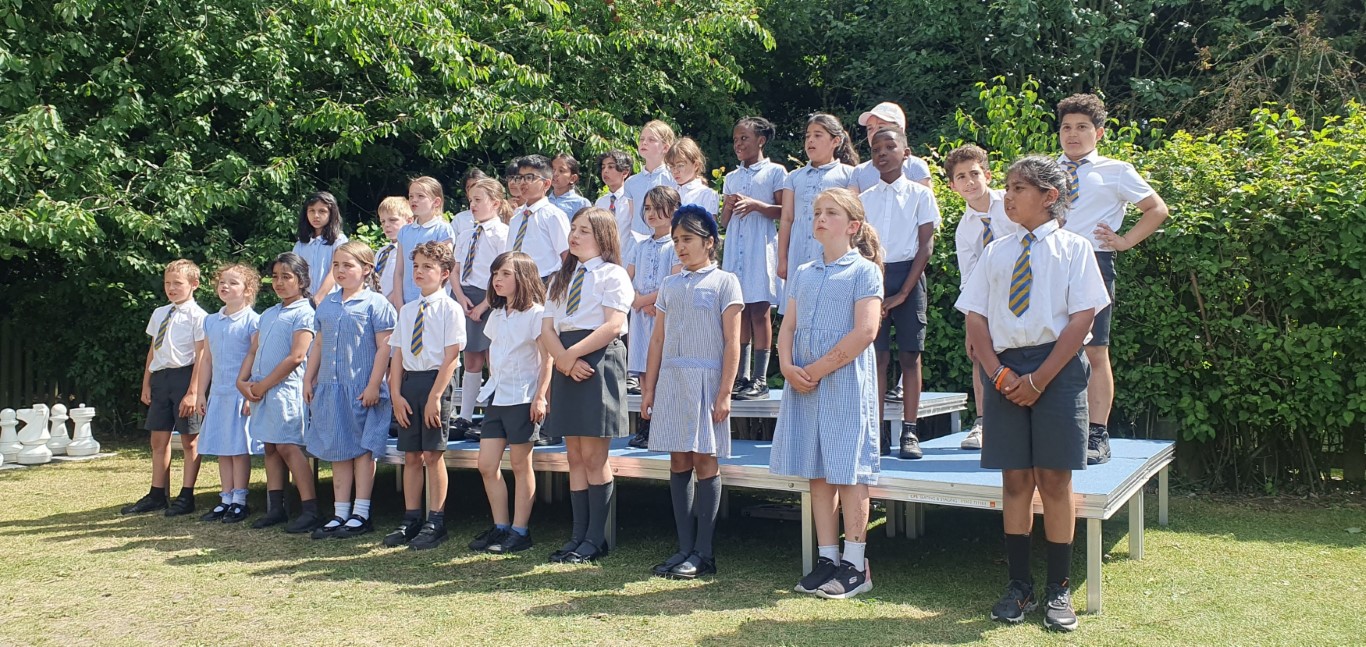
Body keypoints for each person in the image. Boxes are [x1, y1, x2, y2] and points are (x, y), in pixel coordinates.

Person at [956, 155, 1111, 632]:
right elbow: (976, 316)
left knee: (1055, 480)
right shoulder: (996, 252)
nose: (1008, 196)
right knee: (1016, 481)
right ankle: (1019, 585)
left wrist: (1040, 378)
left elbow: (1082, 318)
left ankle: (1059, 588)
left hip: (1056, 370)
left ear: (1049, 197)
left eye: (1019, 188)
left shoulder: (1074, 249)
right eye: (1006, 187)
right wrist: (998, 374)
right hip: (1005, 369)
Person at [770, 188, 883, 600]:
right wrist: (786, 366)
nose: (820, 218)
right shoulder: (803, 272)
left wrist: (815, 370)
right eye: (817, 211)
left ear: (853, 226)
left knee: (848, 469)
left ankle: (856, 564)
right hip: (803, 382)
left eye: (831, 212)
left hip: (843, 382)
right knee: (817, 469)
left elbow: (866, 331)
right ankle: (828, 557)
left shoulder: (864, 272)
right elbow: (787, 326)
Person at [1054, 93, 1170, 465]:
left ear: (1099, 133)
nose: (1073, 134)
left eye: (1082, 127)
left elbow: (1157, 209)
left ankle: (1097, 434)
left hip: (1093, 262)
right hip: (1048, 263)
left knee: (1095, 349)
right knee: (1045, 346)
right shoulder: (1045, 169)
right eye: (1066, 127)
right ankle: (1055, 429)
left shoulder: (1116, 170)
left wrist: (1125, 241)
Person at [639, 205, 742, 579]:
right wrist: (649, 388)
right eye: (676, 240)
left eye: (687, 239)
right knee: (679, 459)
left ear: (709, 242)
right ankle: (683, 548)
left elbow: (732, 342)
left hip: (707, 381)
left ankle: (704, 552)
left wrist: (725, 392)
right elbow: (657, 340)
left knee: (704, 460)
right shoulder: (670, 285)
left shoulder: (725, 282)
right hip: (672, 380)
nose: (680, 247)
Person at [540, 207, 634, 564]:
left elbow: (613, 325)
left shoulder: (613, 274)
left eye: (584, 231)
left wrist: (571, 356)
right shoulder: (560, 278)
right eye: (573, 229)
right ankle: (577, 536)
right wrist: (562, 359)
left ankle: (597, 539)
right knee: (575, 455)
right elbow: (547, 327)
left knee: (595, 456)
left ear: (603, 237)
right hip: (567, 359)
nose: (574, 236)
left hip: (597, 360)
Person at [304, 241, 397, 539]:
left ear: (367, 269)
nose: (340, 271)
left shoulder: (376, 304)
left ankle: (361, 512)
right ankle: (340, 512)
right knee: (339, 449)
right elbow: (318, 343)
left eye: (348, 265)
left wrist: (374, 385)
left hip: (361, 389)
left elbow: (385, 347)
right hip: (330, 388)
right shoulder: (328, 304)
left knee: (362, 451)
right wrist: (308, 378)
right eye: (336, 265)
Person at [861, 127, 940, 459]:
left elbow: (926, 246)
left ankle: (910, 431)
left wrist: (904, 292)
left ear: (906, 153)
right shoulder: (864, 200)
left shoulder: (921, 195)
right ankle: (877, 432)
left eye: (889, 146)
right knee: (877, 357)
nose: (882, 153)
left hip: (910, 276)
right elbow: (862, 247)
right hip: (875, 278)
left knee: (910, 355)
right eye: (876, 148)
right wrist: (876, 290)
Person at [384, 241, 465, 550]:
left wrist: (435, 397)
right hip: (410, 384)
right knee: (411, 455)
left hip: (435, 382)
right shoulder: (407, 310)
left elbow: (451, 357)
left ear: (444, 273)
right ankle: (411, 517)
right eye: (416, 266)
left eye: (427, 267)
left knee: (432, 454)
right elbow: (397, 355)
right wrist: (395, 394)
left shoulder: (450, 309)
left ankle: (436, 520)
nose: (419, 271)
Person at [469, 251, 551, 554]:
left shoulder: (536, 314)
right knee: (486, 465)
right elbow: (494, 352)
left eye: (505, 273)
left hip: (523, 398)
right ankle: (500, 526)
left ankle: (520, 531)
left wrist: (540, 396)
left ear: (523, 277)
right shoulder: (497, 314)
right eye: (495, 274)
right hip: (498, 398)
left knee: (520, 465)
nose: (497, 279)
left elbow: (547, 358)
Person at [238, 253, 323, 532]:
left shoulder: (305, 312)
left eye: (287, 277)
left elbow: (297, 356)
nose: (279, 282)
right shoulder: (268, 314)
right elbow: (254, 350)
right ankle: (276, 508)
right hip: (261, 389)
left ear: (302, 280)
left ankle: (310, 508)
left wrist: (263, 385)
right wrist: (243, 381)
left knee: (288, 445)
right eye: (275, 277)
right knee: (271, 447)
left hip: (287, 389)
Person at [946, 144, 1022, 451]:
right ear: (952, 186)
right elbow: (970, 280)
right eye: (961, 177)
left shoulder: (1012, 203)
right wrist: (971, 324)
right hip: (992, 297)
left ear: (987, 176)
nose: (969, 182)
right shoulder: (964, 230)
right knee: (980, 353)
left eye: (974, 174)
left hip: (1026, 287)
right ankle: (983, 422)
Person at [121, 259, 208, 517]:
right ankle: (157, 493)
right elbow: (153, 350)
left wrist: (193, 391)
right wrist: (146, 382)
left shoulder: (199, 316)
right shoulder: (160, 313)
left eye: (178, 283)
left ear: (194, 284)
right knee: (158, 438)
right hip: (161, 377)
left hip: (185, 377)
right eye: (167, 283)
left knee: (190, 439)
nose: (171, 288)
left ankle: (187, 495)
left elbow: (201, 355)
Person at [720, 117, 787, 401]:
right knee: (740, 312)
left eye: (744, 138)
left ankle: (761, 378)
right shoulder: (731, 178)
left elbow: (785, 210)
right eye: (735, 139)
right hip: (736, 251)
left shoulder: (775, 172)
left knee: (759, 311)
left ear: (761, 140)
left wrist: (758, 206)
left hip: (761, 248)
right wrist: (728, 205)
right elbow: (724, 222)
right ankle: (742, 376)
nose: (738, 144)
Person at [194, 263, 262, 523]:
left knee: (238, 447)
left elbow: (255, 357)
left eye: (233, 283)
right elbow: (207, 359)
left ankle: (240, 500)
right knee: (223, 447)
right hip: (219, 393)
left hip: (239, 394)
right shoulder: (211, 320)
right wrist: (201, 393)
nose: (225, 286)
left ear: (248, 289)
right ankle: (225, 498)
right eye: (222, 282)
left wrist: (249, 391)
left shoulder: (253, 321)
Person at [777, 113, 858, 314]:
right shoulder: (794, 177)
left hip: (832, 252)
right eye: (807, 136)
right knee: (796, 309)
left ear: (835, 141)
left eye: (818, 135)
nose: (810, 140)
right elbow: (787, 218)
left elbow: (854, 217)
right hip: (798, 252)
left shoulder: (849, 174)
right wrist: (782, 258)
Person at [450, 177, 512, 439]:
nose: (472, 205)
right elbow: (455, 270)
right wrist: (461, 297)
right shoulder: (467, 234)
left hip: (491, 297)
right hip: (466, 298)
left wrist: (485, 304)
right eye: (470, 200)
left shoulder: (503, 234)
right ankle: (465, 416)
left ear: (495, 203)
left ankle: (491, 417)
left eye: (478, 200)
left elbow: (504, 272)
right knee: (471, 359)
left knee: (492, 358)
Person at [624, 186, 682, 448]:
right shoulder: (639, 245)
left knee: (659, 365)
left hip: (662, 315)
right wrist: (636, 299)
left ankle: (662, 422)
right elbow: (626, 278)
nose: (652, 214)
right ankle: (646, 421)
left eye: (658, 208)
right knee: (643, 367)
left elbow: (675, 280)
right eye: (647, 208)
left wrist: (647, 301)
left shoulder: (675, 244)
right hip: (640, 316)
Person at [392, 176, 455, 308]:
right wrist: (399, 303)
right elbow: (399, 271)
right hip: (407, 302)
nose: (414, 200)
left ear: (436, 202)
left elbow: (445, 267)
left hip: (433, 302)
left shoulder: (442, 229)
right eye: (411, 196)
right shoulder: (404, 231)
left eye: (420, 196)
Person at [507, 155, 572, 281]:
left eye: (529, 177)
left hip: (544, 280)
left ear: (546, 184)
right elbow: (509, 252)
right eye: (520, 177)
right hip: (516, 281)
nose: (523, 182)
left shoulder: (553, 215)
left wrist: (563, 284)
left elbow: (566, 254)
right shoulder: (516, 216)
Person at [851, 101, 933, 191]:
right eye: (870, 128)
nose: (873, 133)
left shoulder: (915, 166)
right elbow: (851, 200)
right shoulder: (859, 172)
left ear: (900, 130)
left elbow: (926, 198)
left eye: (881, 127)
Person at [623, 120, 678, 239]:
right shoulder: (631, 182)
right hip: (637, 242)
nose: (644, 143)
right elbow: (634, 217)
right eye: (642, 139)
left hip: (666, 240)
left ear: (665, 147)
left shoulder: (674, 178)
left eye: (651, 140)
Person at [293, 191, 348, 306]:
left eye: (322, 211)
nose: (316, 215)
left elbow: (335, 270)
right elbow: (295, 273)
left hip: (331, 301)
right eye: (311, 211)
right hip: (304, 302)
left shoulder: (339, 241)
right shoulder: (300, 244)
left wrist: (319, 297)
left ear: (331, 213)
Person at [594, 150, 636, 255]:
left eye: (611, 167)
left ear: (625, 172)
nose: (605, 171)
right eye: (603, 167)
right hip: (603, 257)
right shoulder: (600, 202)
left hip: (626, 257)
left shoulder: (632, 201)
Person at [375, 196, 414, 303]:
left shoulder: (409, 251)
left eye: (392, 220)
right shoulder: (381, 252)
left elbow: (404, 281)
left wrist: (386, 304)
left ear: (409, 221)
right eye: (383, 221)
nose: (386, 225)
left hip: (396, 304)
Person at [667, 137, 719, 214]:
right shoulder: (669, 193)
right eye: (671, 166)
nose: (675, 171)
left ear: (696, 165)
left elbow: (709, 221)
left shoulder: (706, 194)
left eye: (680, 165)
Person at [549, 153, 593, 217]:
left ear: (573, 178)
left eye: (561, 171)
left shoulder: (581, 204)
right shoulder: (543, 201)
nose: (555, 174)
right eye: (553, 169)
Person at [452, 168, 490, 237]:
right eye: (469, 188)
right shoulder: (459, 219)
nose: (473, 190)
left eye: (477, 186)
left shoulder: (496, 216)